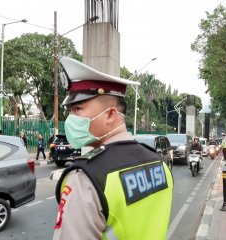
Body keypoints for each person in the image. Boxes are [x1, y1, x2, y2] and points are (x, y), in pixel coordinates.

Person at [53, 57, 173, 240]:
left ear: (110, 115)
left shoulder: (86, 178)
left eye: (77, 109)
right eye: (69, 111)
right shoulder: (159, 163)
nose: (71, 119)